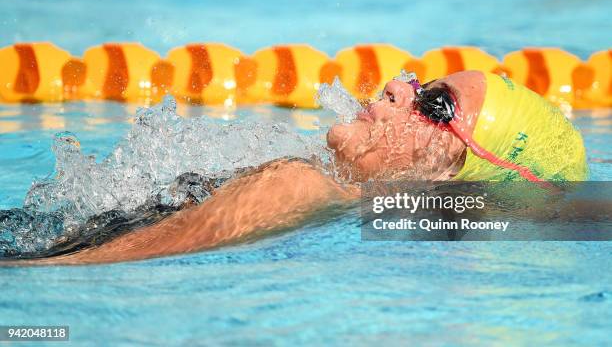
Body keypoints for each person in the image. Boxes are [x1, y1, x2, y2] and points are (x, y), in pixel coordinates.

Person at [5, 70, 588, 265]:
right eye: (418, 80)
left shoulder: (301, 187)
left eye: (435, 103)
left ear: (454, 172)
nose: (395, 85)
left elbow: (75, 265)